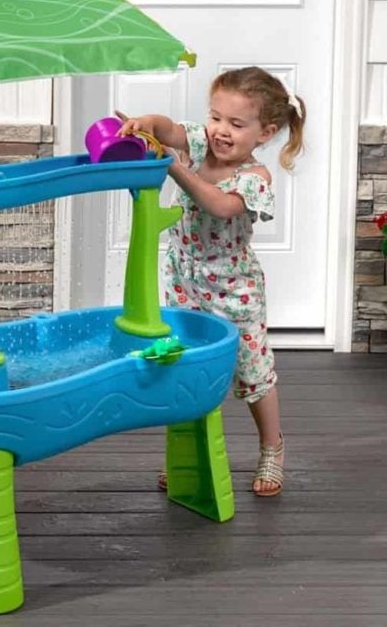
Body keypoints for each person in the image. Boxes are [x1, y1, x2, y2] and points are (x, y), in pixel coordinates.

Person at [117, 66, 306, 498]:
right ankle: (186, 455)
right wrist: (149, 123)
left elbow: (220, 207)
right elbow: (170, 129)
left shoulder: (255, 179)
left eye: (236, 124)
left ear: (265, 132)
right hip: (185, 277)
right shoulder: (201, 143)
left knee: (253, 371)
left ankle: (271, 447)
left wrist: (176, 169)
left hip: (233, 288)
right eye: (216, 117)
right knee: (184, 363)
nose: (221, 131)